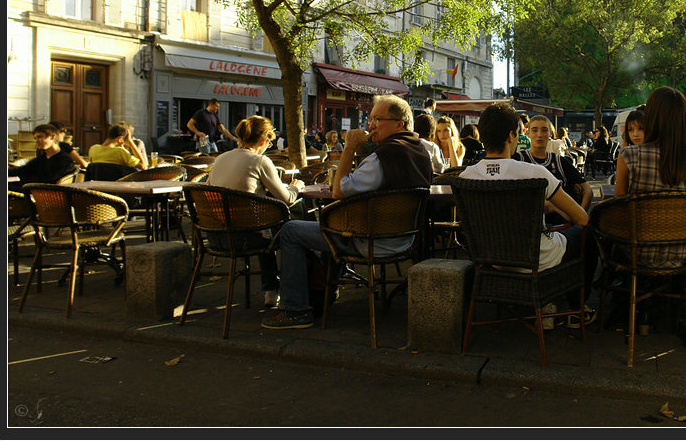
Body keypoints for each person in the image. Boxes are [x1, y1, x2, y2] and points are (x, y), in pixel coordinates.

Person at [261, 94, 432, 329]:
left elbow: (338, 192)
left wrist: (350, 146)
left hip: (370, 241)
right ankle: (325, 295)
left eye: (376, 119)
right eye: (370, 119)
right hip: (404, 240)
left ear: (398, 124)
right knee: (332, 227)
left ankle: (295, 311)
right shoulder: (421, 151)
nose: (370, 125)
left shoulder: (381, 157)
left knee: (290, 230)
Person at [460, 102, 593, 329]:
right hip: (535, 258)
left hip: (490, 260)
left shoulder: (466, 176)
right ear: (512, 136)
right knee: (586, 235)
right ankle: (576, 307)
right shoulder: (534, 173)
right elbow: (581, 218)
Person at [609, 87, 686, 331]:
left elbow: (618, 210)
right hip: (685, 254)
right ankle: (680, 313)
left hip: (638, 252)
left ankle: (631, 306)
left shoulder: (629, 156)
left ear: (652, 117)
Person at [206, 115, 305, 307]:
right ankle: (285, 290)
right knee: (287, 227)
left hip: (215, 236)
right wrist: (296, 187)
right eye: (269, 143)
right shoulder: (260, 161)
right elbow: (287, 199)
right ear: (263, 140)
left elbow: (209, 191)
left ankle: (272, 288)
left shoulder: (220, 159)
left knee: (263, 225)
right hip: (243, 239)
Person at [9, 123, 78, 186]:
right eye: (35, 138)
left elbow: (49, 181)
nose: (36, 141)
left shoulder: (64, 160)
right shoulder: (43, 157)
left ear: (52, 137)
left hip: (45, 194)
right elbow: (24, 170)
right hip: (34, 188)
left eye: (39, 137)